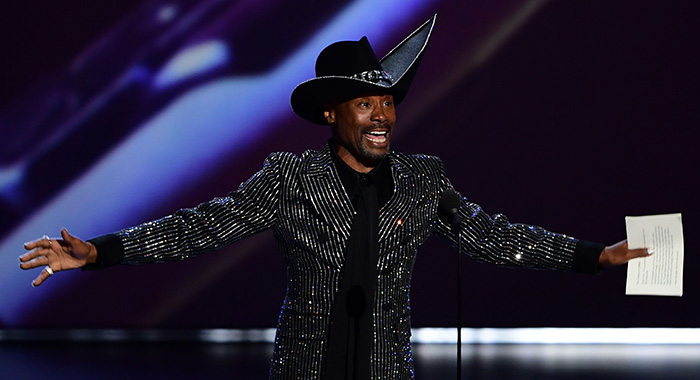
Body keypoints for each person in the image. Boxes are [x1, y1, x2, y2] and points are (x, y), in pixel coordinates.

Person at [19, 15, 650, 380]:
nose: (381, 116)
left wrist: (595, 257)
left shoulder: (422, 180)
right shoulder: (289, 177)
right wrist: (99, 252)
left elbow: (498, 239)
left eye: (387, 102)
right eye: (364, 103)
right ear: (330, 112)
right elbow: (200, 227)